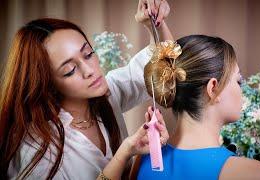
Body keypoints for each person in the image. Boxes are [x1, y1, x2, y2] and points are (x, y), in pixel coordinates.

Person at [0, 0, 171, 179]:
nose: (90, 70)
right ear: (47, 84)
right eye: (70, 70)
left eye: (88, 54)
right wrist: (124, 153)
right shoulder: (37, 148)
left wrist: (155, 22)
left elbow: (161, 69)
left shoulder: (106, 94)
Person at [137, 35, 260, 179]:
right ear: (213, 89)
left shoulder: (144, 158)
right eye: (238, 81)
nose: (242, 90)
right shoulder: (259, 176)